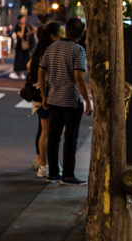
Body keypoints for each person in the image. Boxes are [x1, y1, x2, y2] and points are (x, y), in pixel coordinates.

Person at [38, 17, 92, 185]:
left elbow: (40, 72)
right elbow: (79, 78)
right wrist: (87, 101)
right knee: (70, 138)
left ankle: (53, 173)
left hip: (54, 99)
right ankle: (68, 175)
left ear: (66, 30)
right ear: (82, 33)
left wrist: (44, 95)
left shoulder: (52, 48)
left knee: (54, 137)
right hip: (71, 100)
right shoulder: (78, 50)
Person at [29, 23, 62, 177]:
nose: (64, 35)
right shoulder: (49, 52)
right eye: (61, 32)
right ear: (52, 36)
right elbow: (40, 72)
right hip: (46, 95)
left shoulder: (41, 50)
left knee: (45, 131)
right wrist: (45, 94)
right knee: (47, 132)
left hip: (42, 94)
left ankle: (44, 163)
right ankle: (44, 165)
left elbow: (30, 66)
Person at [11, 15, 33, 80]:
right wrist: (23, 27)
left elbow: (28, 34)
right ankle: (14, 72)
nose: (24, 20)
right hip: (20, 46)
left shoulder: (27, 26)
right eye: (23, 19)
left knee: (25, 59)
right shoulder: (18, 26)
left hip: (25, 46)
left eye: (24, 19)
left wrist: (28, 32)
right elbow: (20, 35)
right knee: (19, 59)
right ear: (19, 20)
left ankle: (22, 73)